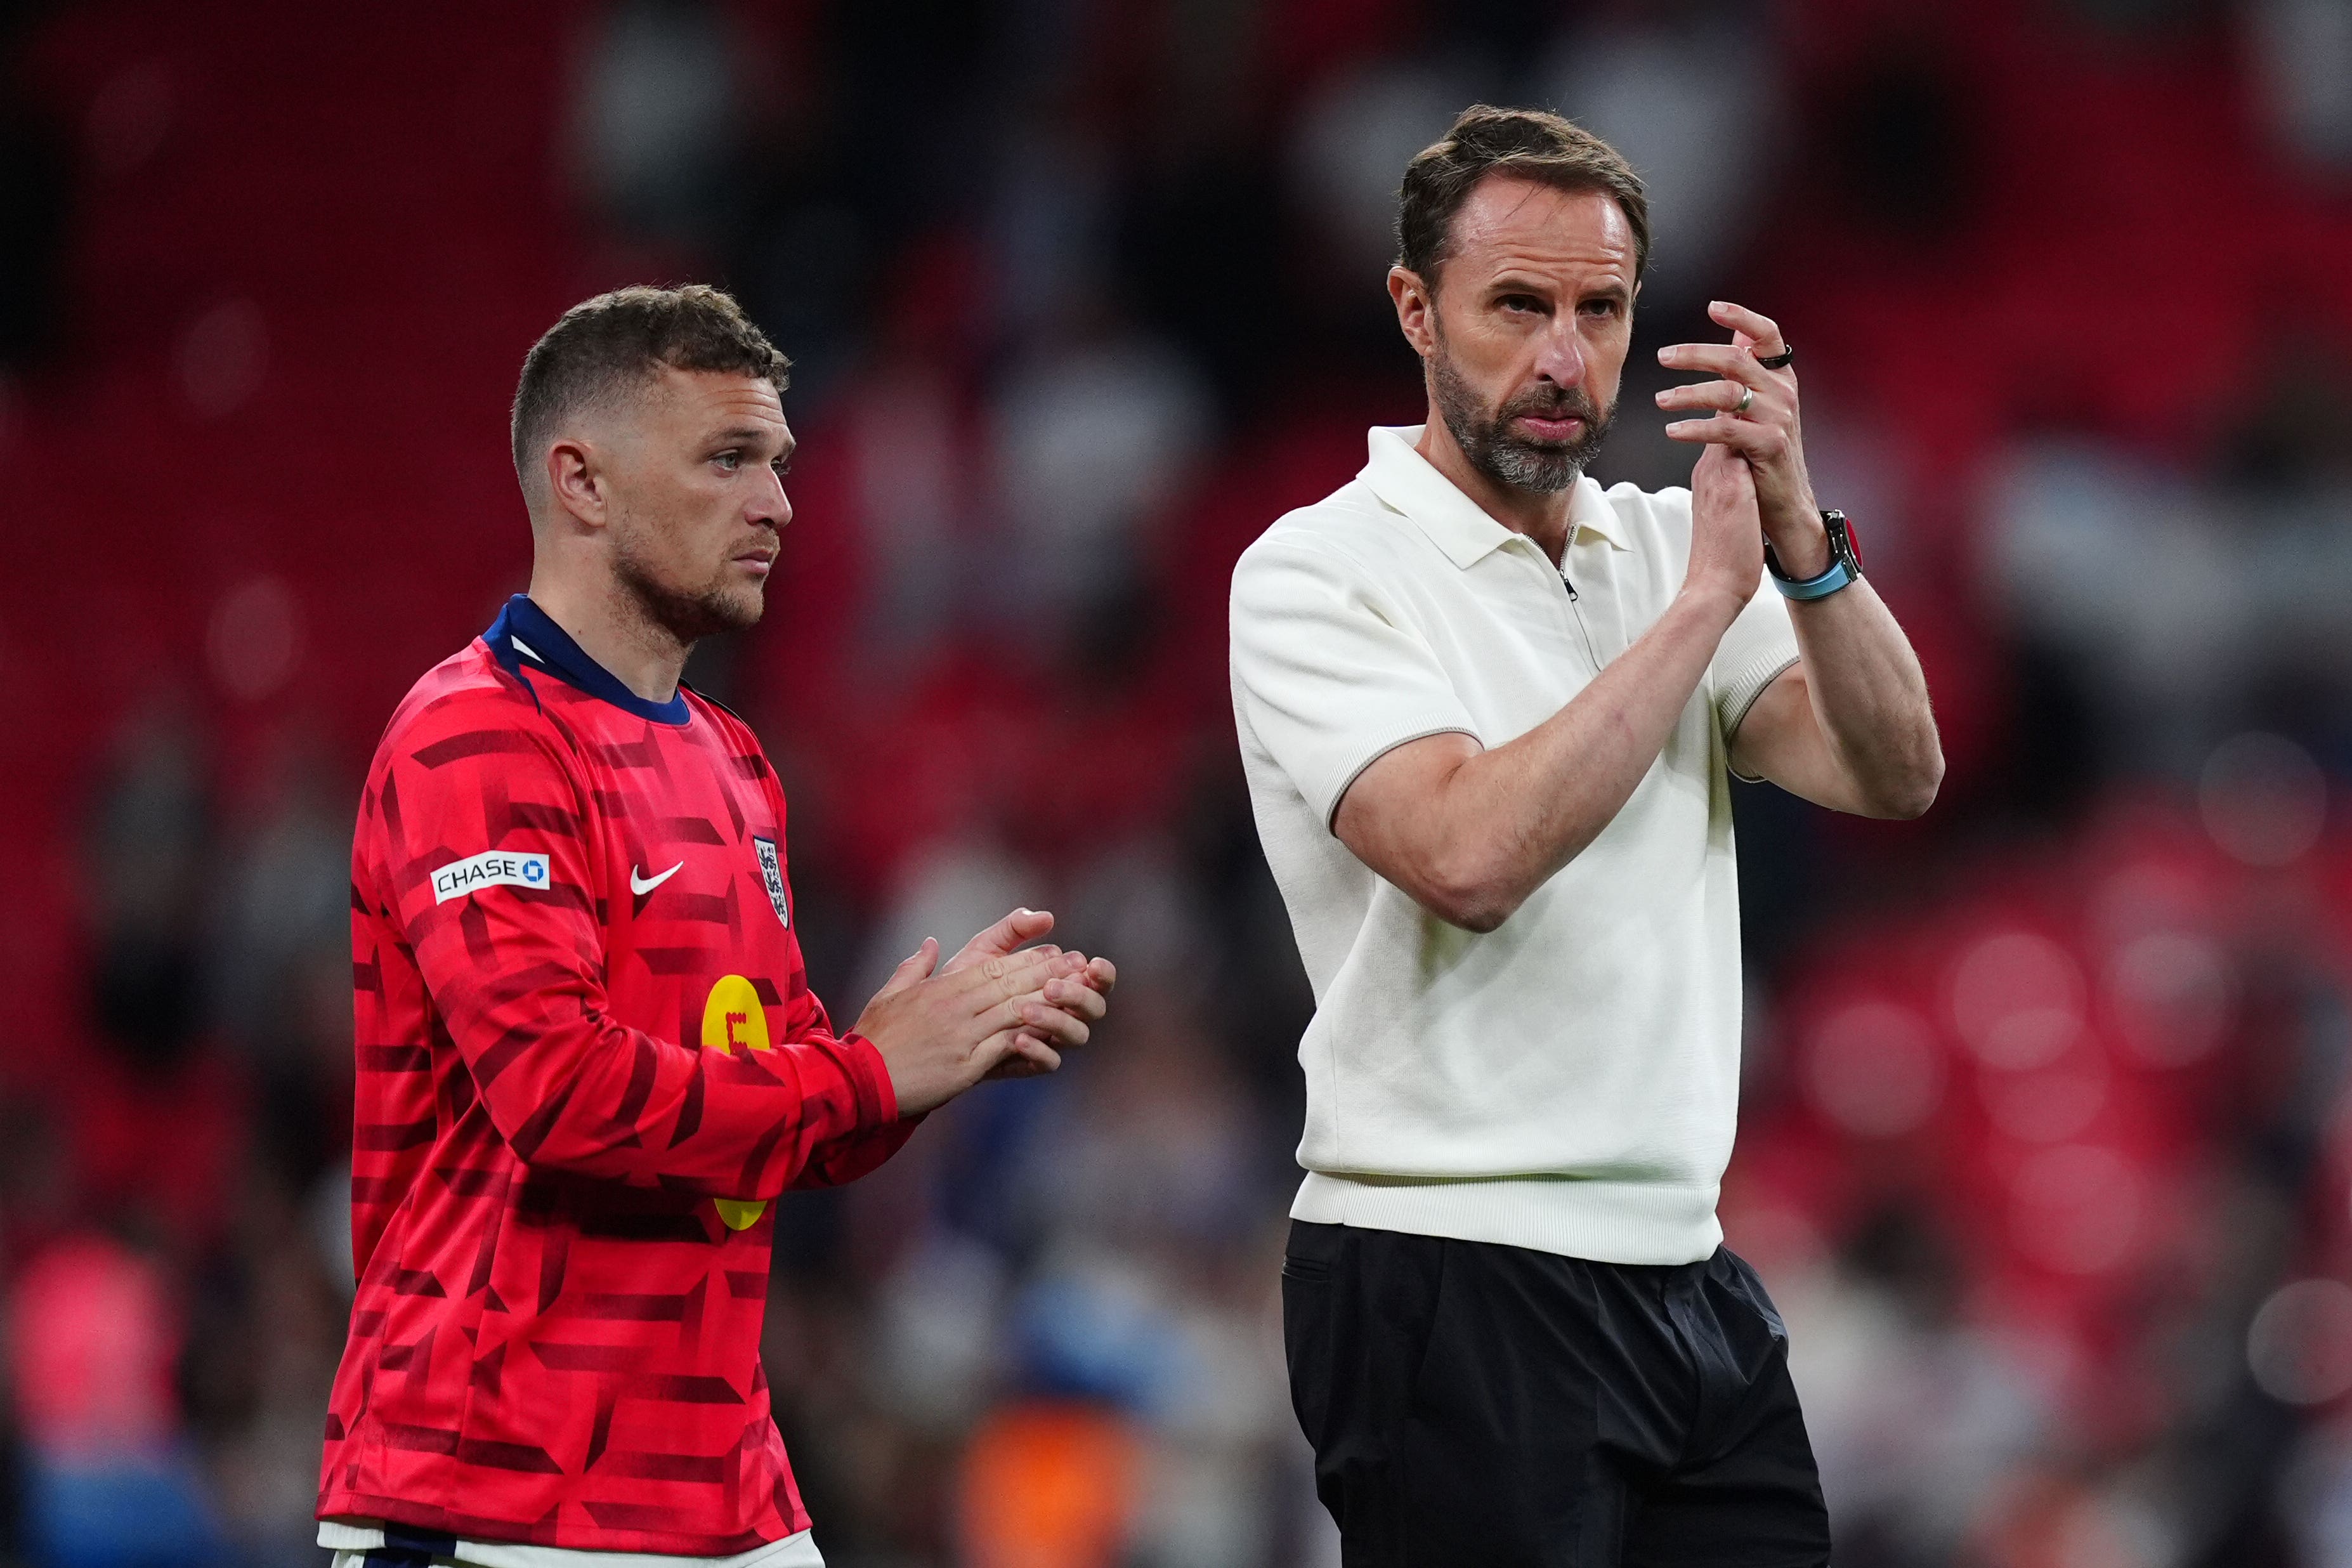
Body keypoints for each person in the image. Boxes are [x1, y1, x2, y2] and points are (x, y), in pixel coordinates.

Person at [1229, 106, 1942, 1565]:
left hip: (1686, 1268)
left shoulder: (1673, 540)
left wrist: (1804, 545)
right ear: (1415, 312)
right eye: (1518, 306)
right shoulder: (1317, 569)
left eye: (1600, 309)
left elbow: (1896, 770)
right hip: (1447, 1262)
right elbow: (1465, 856)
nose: (1565, 356)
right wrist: (1699, 614)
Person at [317, 285, 1116, 1568]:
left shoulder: (737, 766)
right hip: (497, 1493)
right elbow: (560, 1094)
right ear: (582, 482)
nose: (781, 505)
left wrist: (927, 1057)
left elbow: (773, 1123)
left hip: (722, 1496)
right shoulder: (473, 735)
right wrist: (863, 1072)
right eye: (729, 459)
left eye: (781, 464)